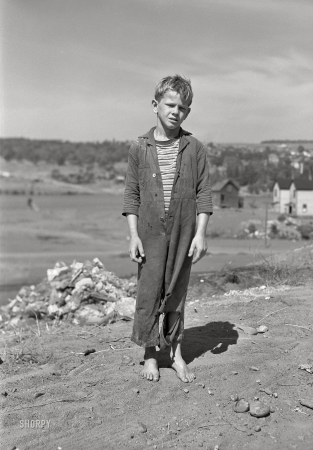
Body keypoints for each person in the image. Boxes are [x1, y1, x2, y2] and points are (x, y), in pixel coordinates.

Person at [122, 75, 213, 383]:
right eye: (171, 105)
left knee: (176, 291)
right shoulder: (139, 148)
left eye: (184, 107)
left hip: (184, 230)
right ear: (155, 105)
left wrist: (200, 233)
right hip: (149, 231)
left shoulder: (195, 148)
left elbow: (204, 193)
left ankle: (175, 353)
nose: (176, 112)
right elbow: (131, 195)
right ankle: (150, 355)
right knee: (148, 291)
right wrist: (133, 234)